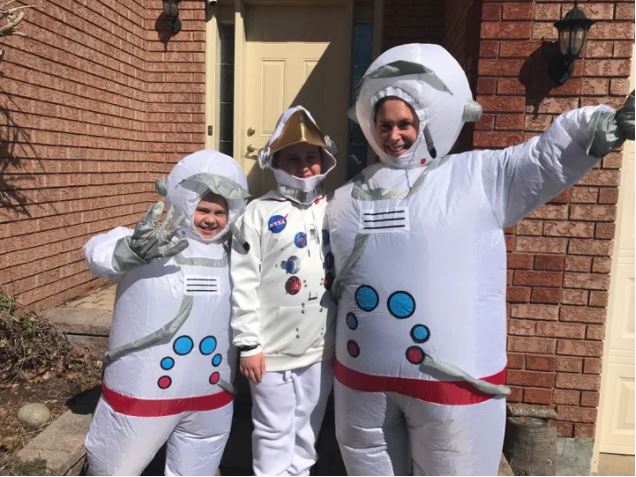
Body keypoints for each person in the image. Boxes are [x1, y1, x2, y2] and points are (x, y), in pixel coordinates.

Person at [326, 43, 634, 475]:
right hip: (362, 377)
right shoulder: (345, 197)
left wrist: (597, 128)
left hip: (452, 380)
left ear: (429, 118)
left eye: (405, 124)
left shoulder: (478, 177)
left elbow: (540, 160)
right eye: (384, 125)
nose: (394, 136)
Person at [83, 150, 249, 475]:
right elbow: (97, 252)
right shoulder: (152, 245)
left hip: (211, 394)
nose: (210, 219)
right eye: (202, 209)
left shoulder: (237, 256)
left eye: (219, 211)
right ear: (184, 201)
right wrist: (129, 252)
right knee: (115, 466)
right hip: (143, 393)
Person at [230, 105, 338, 475]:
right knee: (273, 429)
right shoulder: (256, 214)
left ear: (324, 160)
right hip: (271, 349)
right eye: (293, 158)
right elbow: (243, 281)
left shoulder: (337, 211)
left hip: (322, 346)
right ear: (275, 162)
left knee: (308, 426)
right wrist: (248, 343)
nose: (304, 165)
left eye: (311, 157)